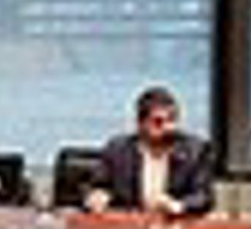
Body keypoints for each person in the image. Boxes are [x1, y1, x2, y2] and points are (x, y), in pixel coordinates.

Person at [86, 86, 214, 217]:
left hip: (174, 225)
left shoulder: (195, 151)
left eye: (172, 120)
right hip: (129, 225)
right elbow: (98, 186)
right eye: (158, 122)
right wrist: (98, 196)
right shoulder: (118, 150)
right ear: (141, 123)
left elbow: (203, 197)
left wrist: (178, 205)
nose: (168, 127)